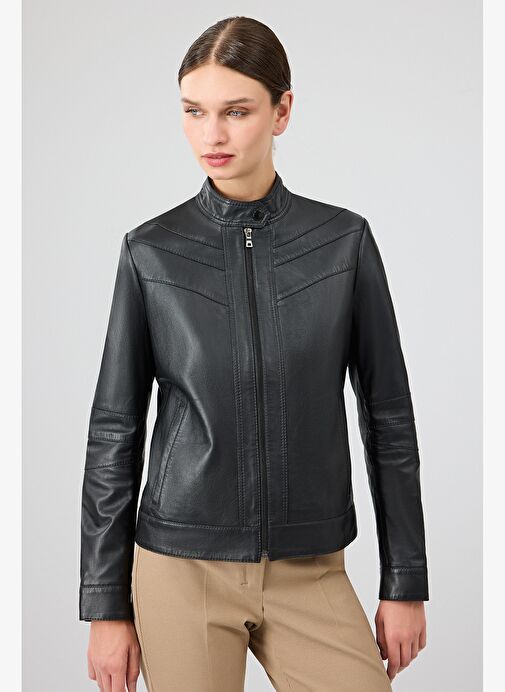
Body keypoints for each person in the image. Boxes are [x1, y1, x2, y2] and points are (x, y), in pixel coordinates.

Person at [79, 15, 429, 692]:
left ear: (282, 111)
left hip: (310, 567)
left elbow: (389, 419)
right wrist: (105, 605)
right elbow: (114, 431)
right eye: (194, 112)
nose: (211, 135)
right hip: (180, 567)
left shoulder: (342, 244)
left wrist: (404, 580)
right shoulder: (151, 252)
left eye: (235, 112)